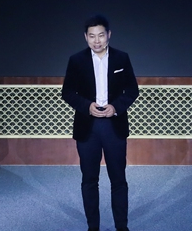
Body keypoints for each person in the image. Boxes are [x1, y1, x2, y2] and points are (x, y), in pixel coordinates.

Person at [61, 14, 139, 231]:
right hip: (88, 126)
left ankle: (122, 227)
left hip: (114, 125)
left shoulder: (122, 58)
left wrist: (116, 107)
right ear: (85, 37)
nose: (97, 41)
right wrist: (87, 106)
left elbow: (132, 90)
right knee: (89, 180)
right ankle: (92, 227)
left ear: (109, 35)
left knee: (119, 180)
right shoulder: (76, 60)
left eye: (101, 35)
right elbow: (67, 92)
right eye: (92, 36)